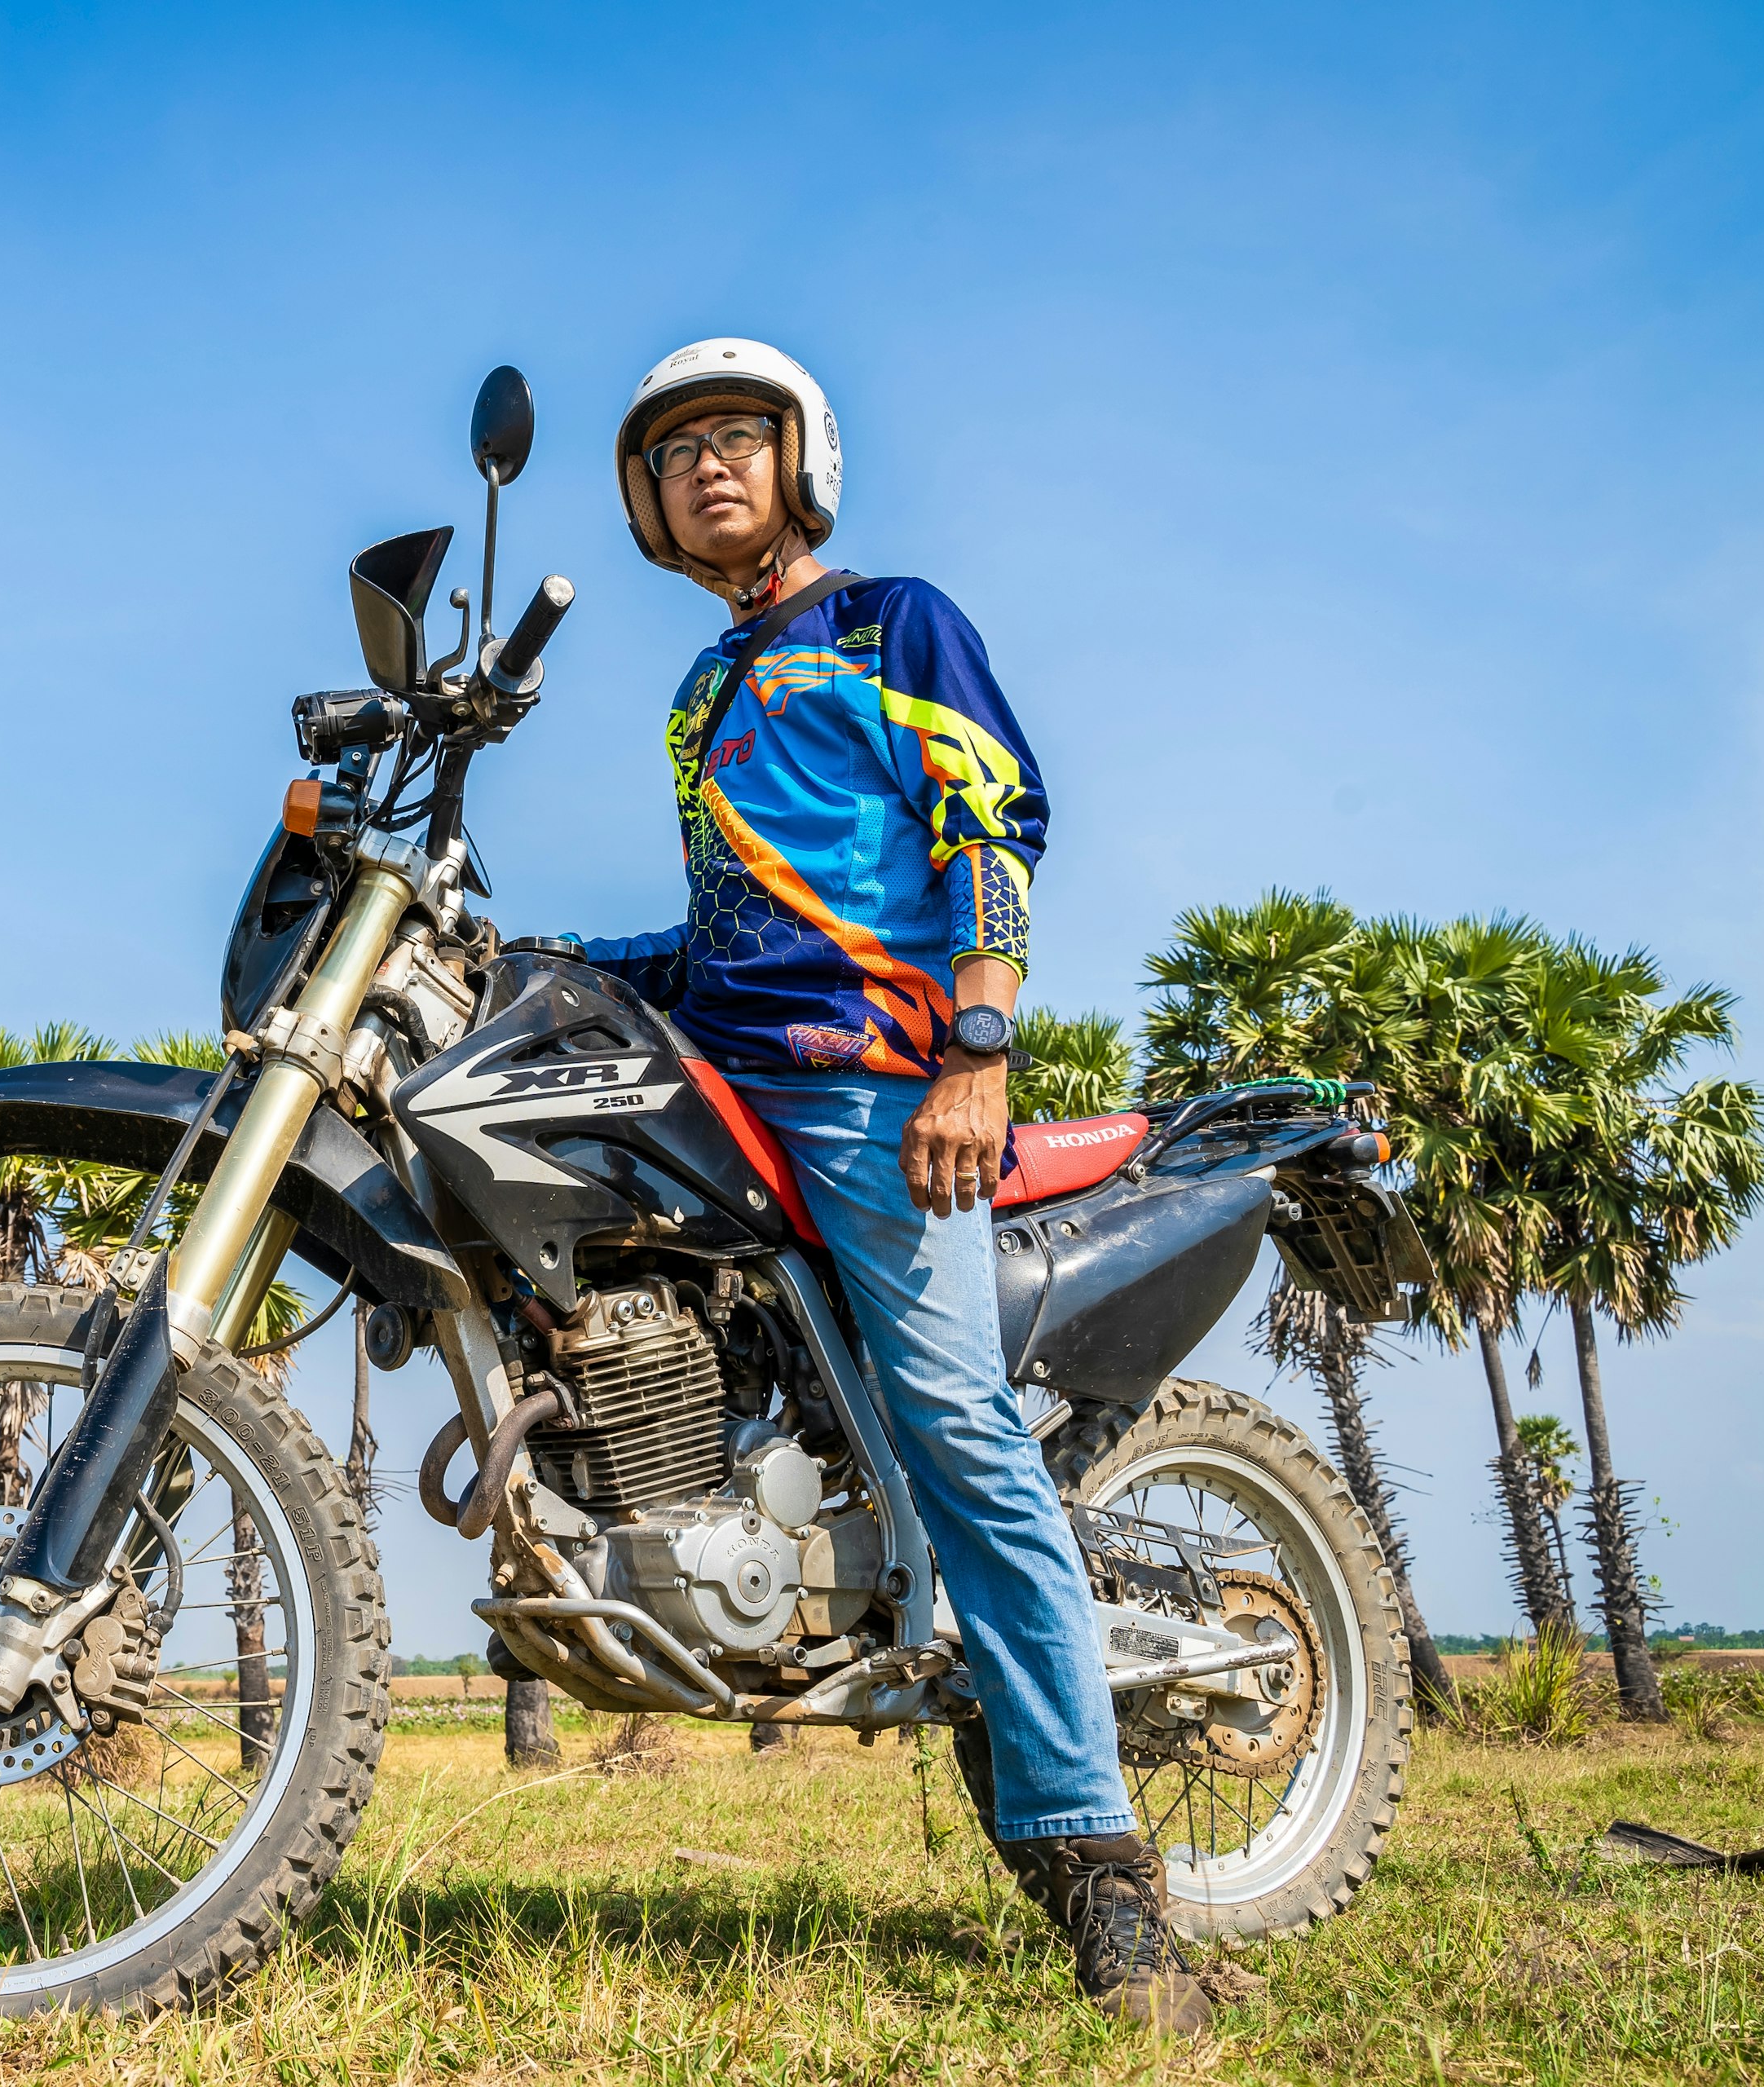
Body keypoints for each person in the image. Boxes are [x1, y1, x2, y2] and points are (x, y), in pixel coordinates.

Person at [560, 337, 1211, 2036]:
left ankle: (1103, 1863)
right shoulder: (705, 692)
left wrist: (975, 1046)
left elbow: (989, 816)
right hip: (733, 1075)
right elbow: (721, 942)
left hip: (871, 1081)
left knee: (957, 1417)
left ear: (801, 461)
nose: (706, 466)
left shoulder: (888, 620)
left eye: (734, 438)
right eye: (676, 449)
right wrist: (546, 959)